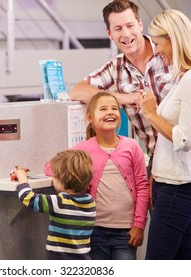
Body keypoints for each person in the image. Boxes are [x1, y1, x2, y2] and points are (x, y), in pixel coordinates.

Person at [69, 0, 191, 260]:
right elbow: (77, 90)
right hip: (162, 167)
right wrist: (124, 98)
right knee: (178, 252)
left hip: (190, 167)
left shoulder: (170, 54)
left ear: (140, 24)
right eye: (118, 28)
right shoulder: (116, 68)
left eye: (130, 25)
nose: (126, 34)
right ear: (110, 34)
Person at [138, 9, 191, 260]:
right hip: (169, 184)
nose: (157, 51)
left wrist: (151, 113)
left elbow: (184, 139)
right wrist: (157, 176)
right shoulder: (186, 78)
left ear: (173, 39)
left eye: (159, 43)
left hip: (179, 187)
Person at [45, 92, 149, 260]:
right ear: (90, 118)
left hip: (126, 232)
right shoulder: (83, 149)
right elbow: (50, 167)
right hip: (94, 231)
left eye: (114, 108)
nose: (110, 112)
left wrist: (139, 225)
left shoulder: (132, 146)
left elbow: (142, 187)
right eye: (103, 109)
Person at [14, 150, 96, 260]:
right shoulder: (90, 201)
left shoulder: (59, 202)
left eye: (55, 177)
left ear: (63, 180)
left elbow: (27, 197)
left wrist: (22, 177)